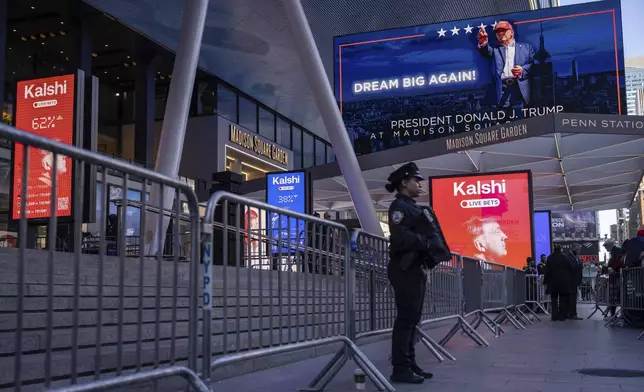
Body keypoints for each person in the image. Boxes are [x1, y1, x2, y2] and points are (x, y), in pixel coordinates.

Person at [385, 162, 451, 384]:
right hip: (404, 269)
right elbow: (401, 238)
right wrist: (427, 243)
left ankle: (410, 363)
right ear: (404, 182)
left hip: (416, 268)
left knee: (413, 319)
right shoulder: (398, 208)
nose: (420, 184)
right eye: (416, 180)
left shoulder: (413, 207)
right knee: (406, 319)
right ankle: (400, 367)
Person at [477, 20, 535, 110]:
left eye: (503, 30)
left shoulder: (527, 48)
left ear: (511, 32)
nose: (500, 33)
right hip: (502, 89)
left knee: (523, 119)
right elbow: (485, 51)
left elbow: (534, 65)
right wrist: (483, 42)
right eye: (497, 32)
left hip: (520, 88)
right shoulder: (494, 49)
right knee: (504, 119)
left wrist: (522, 70)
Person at [543, 244, 573, 321]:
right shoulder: (565, 257)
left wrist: (545, 281)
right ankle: (562, 316)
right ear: (560, 249)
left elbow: (547, 270)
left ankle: (554, 316)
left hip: (553, 282)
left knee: (554, 299)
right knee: (562, 299)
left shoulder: (550, 258)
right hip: (563, 282)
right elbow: (570, 268)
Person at [566, 243, 583, 320]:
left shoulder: (575, 257)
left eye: (579, 250)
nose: (578, 251)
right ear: (573, 249)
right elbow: (571, 266)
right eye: (577, 249)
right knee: (572, 298)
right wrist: (580, 264)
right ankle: (572, 314)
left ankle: (572, 313)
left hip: (574, 281)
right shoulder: (569, 257)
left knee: (573, 298)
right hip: (571, 281)